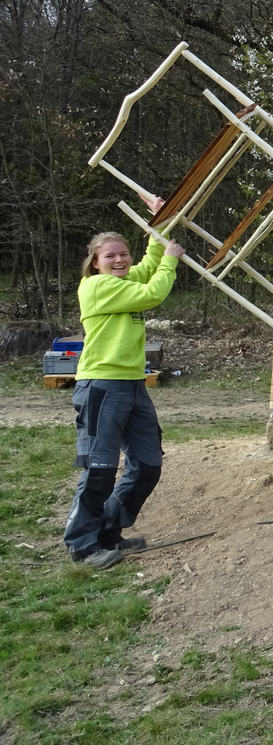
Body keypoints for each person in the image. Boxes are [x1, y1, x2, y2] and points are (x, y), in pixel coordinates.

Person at [63, 196, 185, 569]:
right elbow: (153, 292)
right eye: (110, 256)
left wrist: (158, 224)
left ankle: (108, 530)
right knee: (100, 468)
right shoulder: (97, 286)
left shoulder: (123, 279)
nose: (119, 260)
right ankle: (83, 545)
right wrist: (171, 260)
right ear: (95, 262)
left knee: (147, 464)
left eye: (123, 254)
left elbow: (148, 265)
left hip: (133, 384)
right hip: (102, 385)